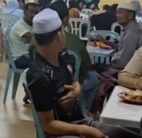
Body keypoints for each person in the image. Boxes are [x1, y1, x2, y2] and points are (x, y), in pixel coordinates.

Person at [26, 8, 139, 138]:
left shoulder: (62, 56)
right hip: (61, 132)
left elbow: (73, 78)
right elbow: (49, 125)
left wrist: (77, 88)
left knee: (127, 134)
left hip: (79, 121)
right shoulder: (39, 76)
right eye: (63, 30)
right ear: (59, 36)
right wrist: (84, 130)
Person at [29, 0, 99, 113]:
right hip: (61, 90)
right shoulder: (75, 41)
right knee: (93, 78)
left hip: (49, 89)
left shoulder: (34, 41)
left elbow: (30, 61)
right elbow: (86, 67)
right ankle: (85, 109)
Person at [9, 3, 39, 69]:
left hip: (28, 56)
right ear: (24, 12)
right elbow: (35, 40)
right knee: (41, 66)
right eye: (31, 12)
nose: (34, 15)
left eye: (36, 13)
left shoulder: (32, 25)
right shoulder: (19, 25)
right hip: (18, 58)